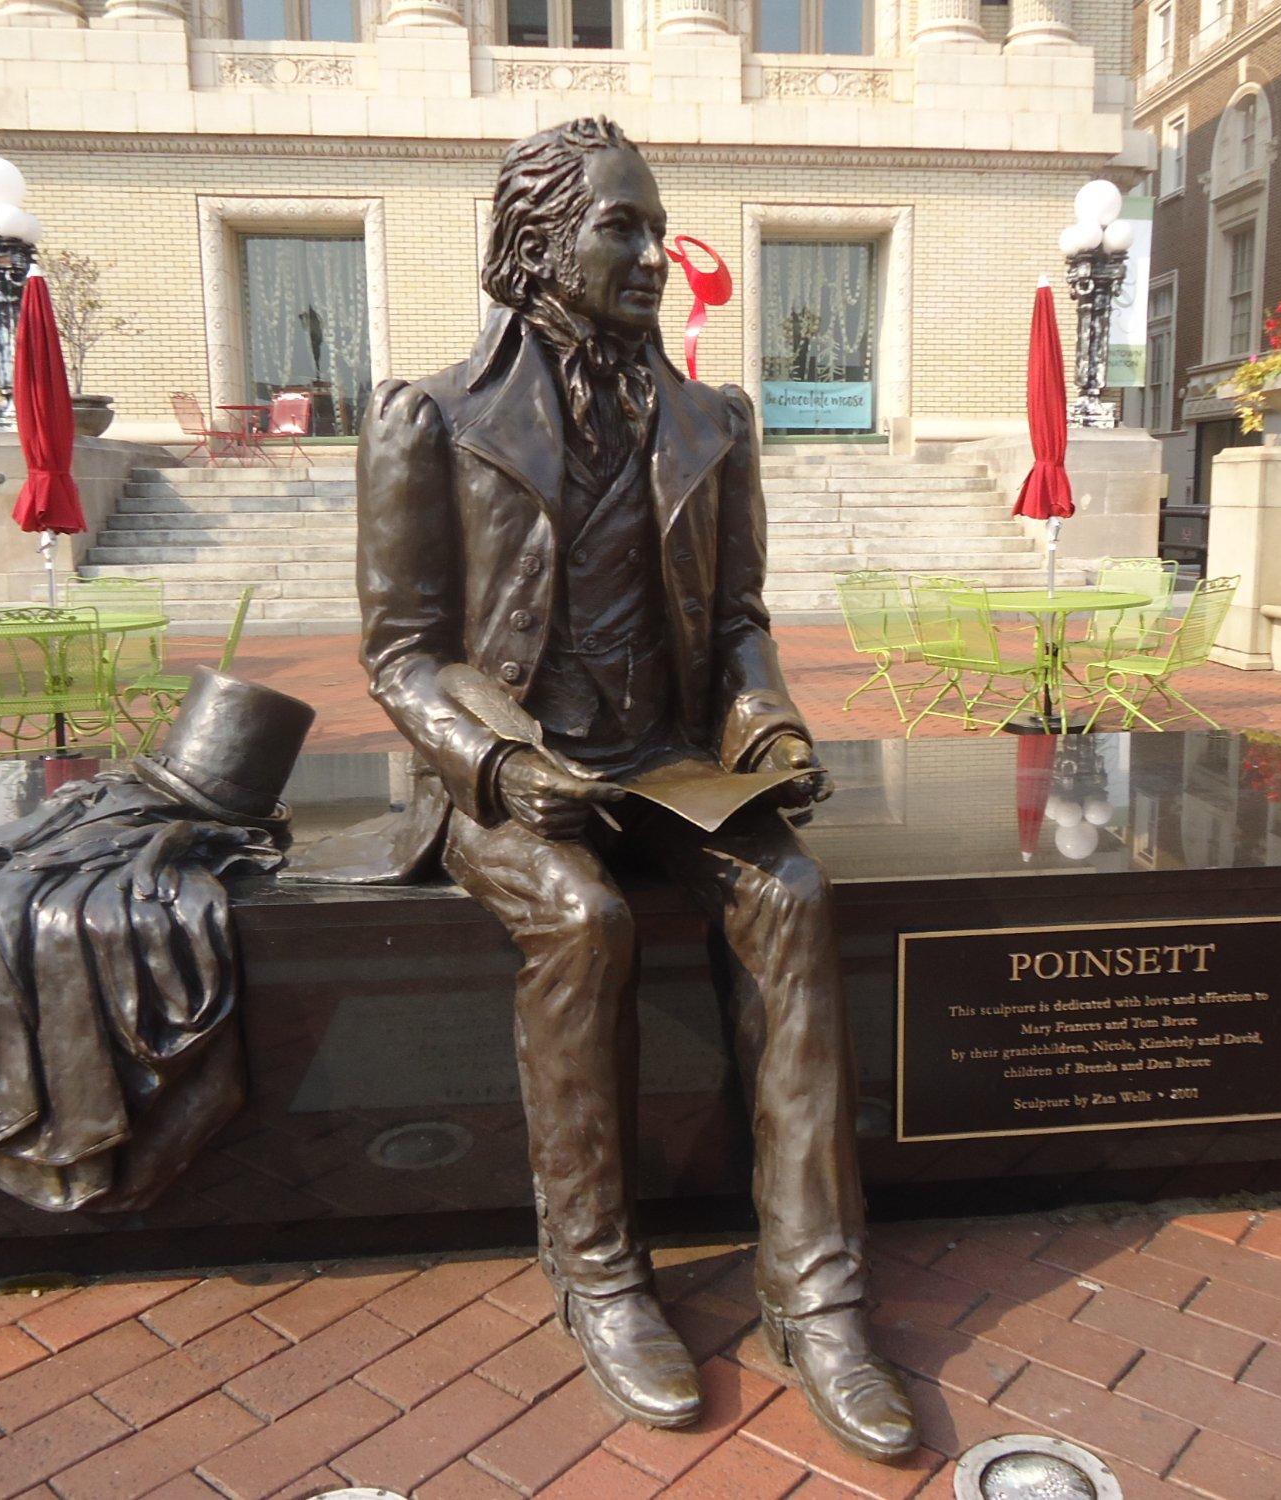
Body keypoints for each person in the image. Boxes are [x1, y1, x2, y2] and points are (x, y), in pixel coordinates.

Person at [352, 117, 917, 1461]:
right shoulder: (430, 417)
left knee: (789, 893)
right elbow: (400, 652)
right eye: (623, 227)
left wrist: (767, 723)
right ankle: (599, 1272)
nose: (656, 254)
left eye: (657, 227)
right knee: (585, 919)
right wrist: (493, 756)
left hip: (667, 757)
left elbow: (737, 623)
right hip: (511, 776)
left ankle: (816, 1297)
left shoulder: (714, 421)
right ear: (534, 243)